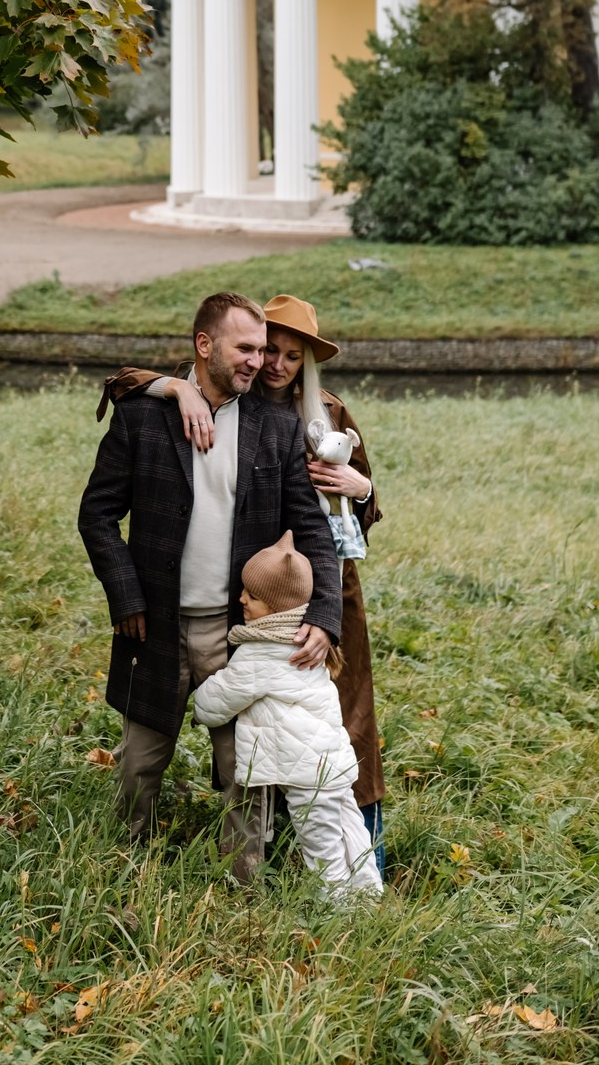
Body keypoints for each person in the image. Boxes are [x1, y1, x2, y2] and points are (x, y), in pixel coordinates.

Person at [97, 293, 387, 874]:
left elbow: (317, 526)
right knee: (142, 754)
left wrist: (326, 606)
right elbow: (98, 510)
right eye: (253, 348)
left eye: (276, 352)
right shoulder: (154, 412)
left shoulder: (298, 420)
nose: (265, 362)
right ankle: (121, 866)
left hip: (259, 614)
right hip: (167, 613)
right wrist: (126, 594)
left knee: (258, 756)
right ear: (207, 347)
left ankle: (269, 872)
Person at [193, 531, 382, 895]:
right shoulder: (306, 640)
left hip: (305, 776)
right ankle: (369, 897)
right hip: (334, 763)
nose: (241, 599)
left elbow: (215, 703)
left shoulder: (261, 653)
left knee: (321, 848)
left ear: (276, 607)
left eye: (253, 596)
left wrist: (198, 704)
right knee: (350, 832)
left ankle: (337, 914)